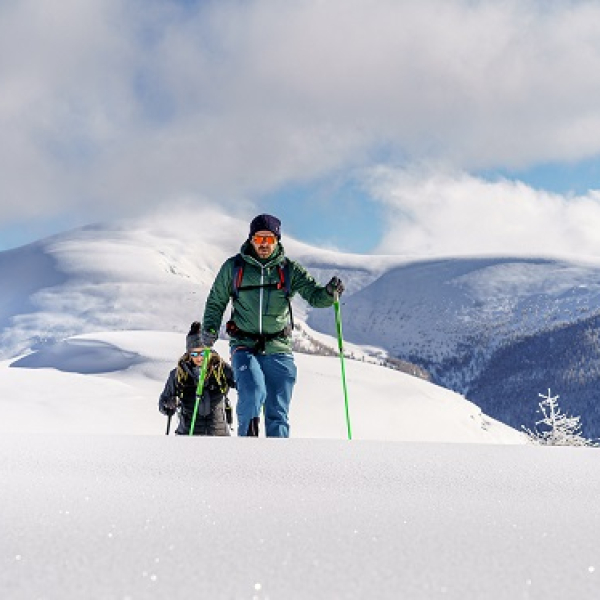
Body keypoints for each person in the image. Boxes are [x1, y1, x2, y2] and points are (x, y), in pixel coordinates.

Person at [200, 213, 344, 438]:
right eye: (259, 239)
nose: (264, 245)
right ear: (250, 240)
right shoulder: (234, 267)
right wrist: (209, 328)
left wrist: (328, 293)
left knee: (278, 410)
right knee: (252, 391)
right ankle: (248, 453)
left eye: (269, 239)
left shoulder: (289, 270)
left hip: (279, 347)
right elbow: (216, 300)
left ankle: (278, 463)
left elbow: (315, 296)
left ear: (277, 240)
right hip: (244, 344)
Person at [159, 322, 235, 435]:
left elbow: (242, 385)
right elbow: (163, 403)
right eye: (194, 354)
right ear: (188, 354)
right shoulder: (179, 374)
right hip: (188, 435)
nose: (199, 358)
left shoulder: (221, 369)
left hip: (218, 436)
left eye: (203, 353)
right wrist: (168, 404)